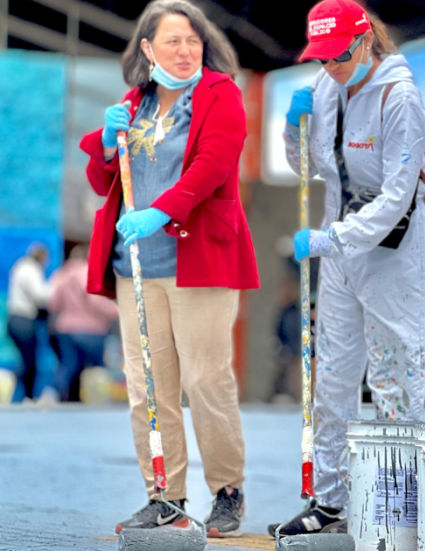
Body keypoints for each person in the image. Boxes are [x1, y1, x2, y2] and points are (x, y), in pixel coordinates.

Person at [79, 0, 258, 538]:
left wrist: (162, 210)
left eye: (194, 41)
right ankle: (166, 497)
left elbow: (213, 165)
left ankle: (227, 490)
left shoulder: (220, 95)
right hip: (137, 267)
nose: (185, 51)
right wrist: (108, 148)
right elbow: (103, 183)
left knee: (205, 380)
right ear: (148, 48)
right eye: (173, 41)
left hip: (199, 262)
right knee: (149, 388)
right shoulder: (134, 103)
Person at [271, 0, 425, 537]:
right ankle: (330, 502)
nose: (331, 68)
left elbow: (396, 194)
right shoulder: (323, 88)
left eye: (339, 56)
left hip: (390, 253)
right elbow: (306, 168)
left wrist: (332, 238)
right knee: (332, 378)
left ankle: (395, 505)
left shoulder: (398, 97)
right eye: (321, 60)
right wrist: (292, 129)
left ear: (365, 42)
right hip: (337, 254)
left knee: (394, 379)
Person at [47, 245, 120, 402]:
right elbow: (95, 300)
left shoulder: (61, 275)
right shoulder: (87, 272)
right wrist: (117, 310)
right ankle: (100, 401)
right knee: (98, 367)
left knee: (67, 365)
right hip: (91, 330)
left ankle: (50, 396)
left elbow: (52, 303)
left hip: (65, 328)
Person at [6, 243, 53, 403]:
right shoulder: (31, 270)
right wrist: (52, 292)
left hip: (15, 319)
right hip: (24, 320)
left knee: (26, 361)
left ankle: (21, 397)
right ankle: (22, 397)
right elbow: (40, 296)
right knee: (29, 362)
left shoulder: (20, 267)